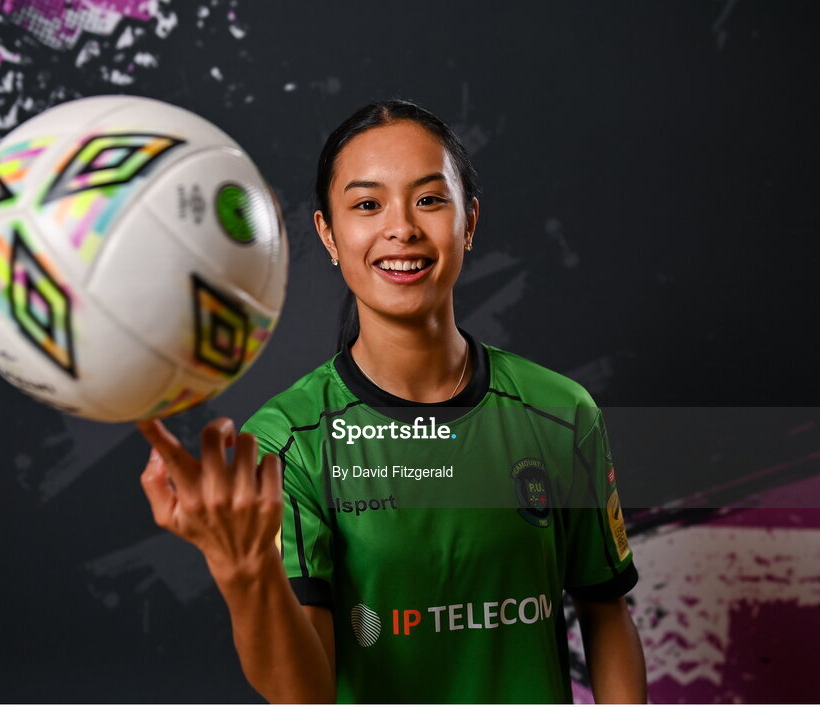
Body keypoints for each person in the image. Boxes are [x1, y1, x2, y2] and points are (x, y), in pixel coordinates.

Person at [137, 100, 647, 703]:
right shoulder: (287, 443)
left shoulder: (561, 413)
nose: (401, 227)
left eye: (430, 200)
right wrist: (243, 570)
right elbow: (305, 694)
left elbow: (607, 613)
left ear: (470, 221)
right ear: (328, 233)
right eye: (367, 204)